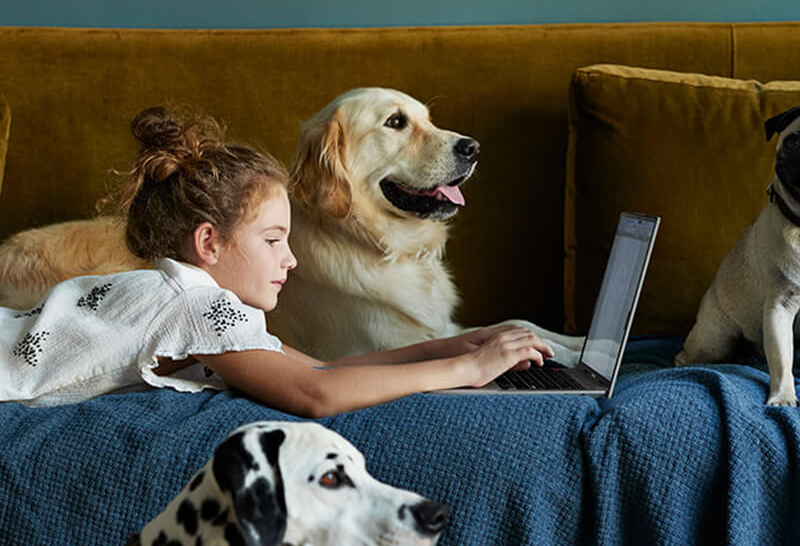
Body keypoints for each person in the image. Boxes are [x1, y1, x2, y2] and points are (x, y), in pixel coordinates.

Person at [0, 108, 552, 416]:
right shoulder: (197, 309)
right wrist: (465, 372)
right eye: (272, 241)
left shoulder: (178, 294)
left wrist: (460, 343)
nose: (290, 259)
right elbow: (315, 394)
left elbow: (318, 367)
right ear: (209, 243)